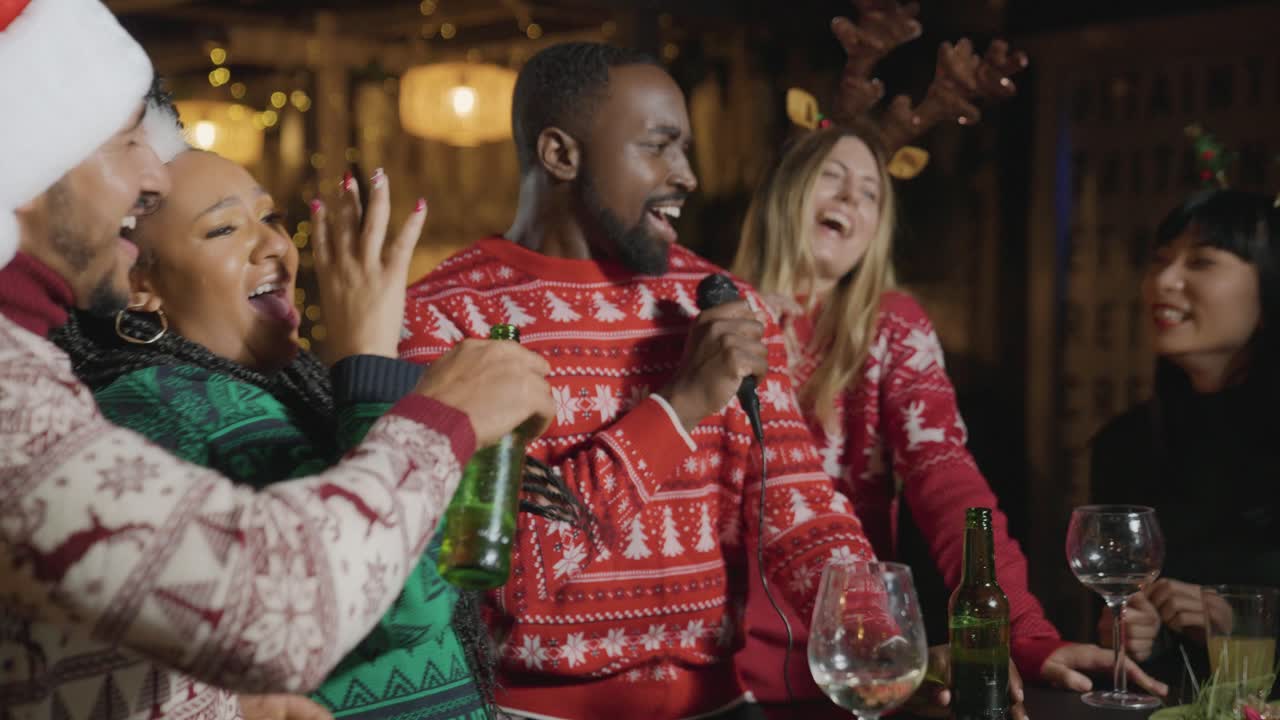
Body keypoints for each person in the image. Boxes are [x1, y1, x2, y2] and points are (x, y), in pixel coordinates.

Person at [0, 1, 554, 717]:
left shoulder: (31, 367)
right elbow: (289, 607)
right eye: (123, 138)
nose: (155, 177)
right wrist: (414, 398)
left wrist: (226, 709)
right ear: (31, 150)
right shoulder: (112, 399)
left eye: (268, 215)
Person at [397, 42, 887, 720]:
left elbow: (800, 516)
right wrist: (680, 405)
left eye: (685, 149)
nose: (687, 175)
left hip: (720, 709)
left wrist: (883, 641)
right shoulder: (446, 319)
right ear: (561, 155)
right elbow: (513, 578)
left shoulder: (718, 303)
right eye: (659, 147)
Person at [49, 138, 507, 720]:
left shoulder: (288, 388)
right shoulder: (160, 403)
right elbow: (403, 610)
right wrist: (368, 359)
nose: (275, 246)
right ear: (140, 284)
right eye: (223, 231)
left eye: (269, 218)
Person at [729, 120, 1168, 708]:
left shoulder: (891, 325)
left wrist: (1018, 627)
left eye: (869, 194)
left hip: (844, 649)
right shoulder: (713, 311)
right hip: (713, 647)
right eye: (829, 180)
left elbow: (947, 478)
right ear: (783, 195)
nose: (848, 201)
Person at [1090, 189, 1280, 687]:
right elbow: (1114, 628)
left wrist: (1240, 622)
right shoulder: (1126, 444)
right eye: (1159, 261)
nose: (1163, 282)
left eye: (1202, 262)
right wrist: (1130, 632)